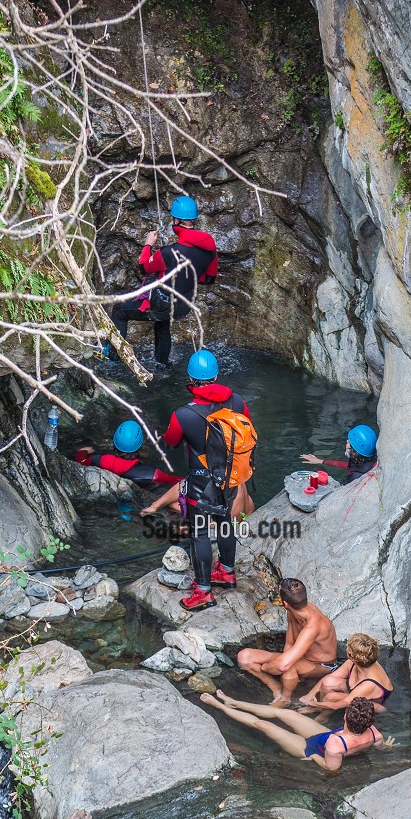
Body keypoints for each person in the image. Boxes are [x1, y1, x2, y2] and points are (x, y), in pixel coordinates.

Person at [163, 348, 253, 612]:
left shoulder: (183, 414)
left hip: (202, 481)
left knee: (199, 532)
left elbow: (171, 441)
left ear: (190, 379)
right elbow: (246, 426)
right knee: (226, 522)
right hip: (231, 475)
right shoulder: (236, 401)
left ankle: (203, 592)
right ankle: (226, 571)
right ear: (216, 375)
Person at [109, 195, 218, 365]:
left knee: (119, 311)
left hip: (162, 304)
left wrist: (148, 245)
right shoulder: (210, 249)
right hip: (182, 305)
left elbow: (144, 267)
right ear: (193, 220)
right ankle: (162, 363)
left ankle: (113, 359)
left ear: (176, 220)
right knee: (162, 322)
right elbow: (209, 279)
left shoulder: (168, 253)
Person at [200, 692, 391, 774]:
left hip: (308, 749)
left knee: (263, 725)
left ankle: (219, 706)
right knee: (285, 713)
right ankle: (235, 703)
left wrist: (315, 757)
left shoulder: (335, 746)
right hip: (325, 735)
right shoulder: (375, 733)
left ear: (345, 717)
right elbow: (378, 747)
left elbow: (330, 768)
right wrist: (388, 747)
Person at [237, 578, 338, 705]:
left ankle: (285, 698)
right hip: (300, 659)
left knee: (288, 665)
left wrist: (265, 668)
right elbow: (289, 645)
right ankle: (275, 686)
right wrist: (280, 666)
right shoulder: (293, 610)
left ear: (285, 603)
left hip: (323, 666)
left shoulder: (314, 624)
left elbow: (283, 665)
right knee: (244, 657)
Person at [72, 421, 183, 492]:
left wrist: (84, 451)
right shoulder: (152, 474)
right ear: (140, 445)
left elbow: (80, 461)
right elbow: (179, 481)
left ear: (114, 442)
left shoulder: (99, 460)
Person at [298, 633, 393, 712]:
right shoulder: (356, 661)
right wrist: (310, 694)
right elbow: (328, 678)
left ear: (351, 655)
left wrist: (313, 703)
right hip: (356, 690)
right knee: (328, 681)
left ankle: (322, 717)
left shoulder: (369, 684)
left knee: (331, 697)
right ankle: (322, 708)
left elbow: (337, 705)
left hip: (373, 703)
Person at [300, 423, 379, 483]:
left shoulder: (355, 477)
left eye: (349, 442)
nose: (347, 441)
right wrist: (321, 461)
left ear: (354, 452)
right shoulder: (371, 460)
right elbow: (348, 466)